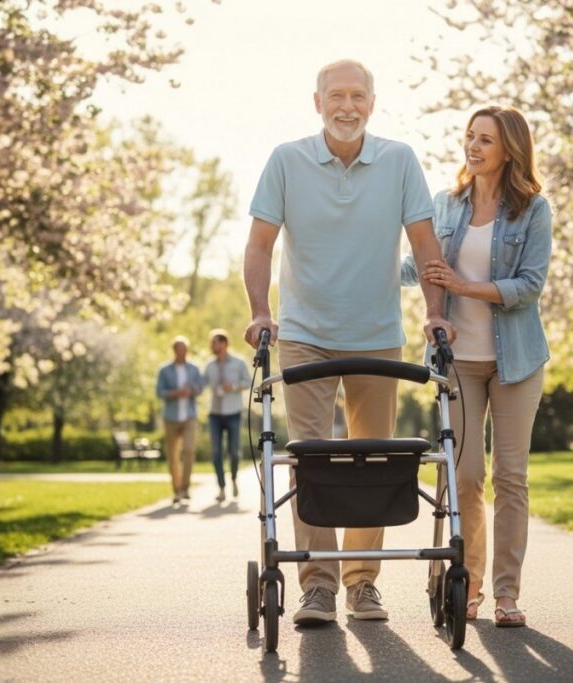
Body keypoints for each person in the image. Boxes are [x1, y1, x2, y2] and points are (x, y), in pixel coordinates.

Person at [243, 59, 454, 626]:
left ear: (372, 103)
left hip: (377, 337)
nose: (347, 106)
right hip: (305, 337)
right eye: (336, 95)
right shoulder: (287, 160)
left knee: (373, 458)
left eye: (358, 96)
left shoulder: (399, 160)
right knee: (309, 459)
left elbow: (426, 245)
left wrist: (435, 314)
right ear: (317, 103)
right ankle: (318, 585)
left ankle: (363, 583)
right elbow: (260, 244)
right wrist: (261, 311)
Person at [403, 106, 551, 627]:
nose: (474, 146)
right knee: (464, 477)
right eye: (470, 136)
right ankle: (468, 584)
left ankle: (508, 594)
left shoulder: (533, 210)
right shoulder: (446, 205)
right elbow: (420, 264)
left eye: (485, 139)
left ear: (509, 149)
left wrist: (465, 287)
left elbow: (530, 285)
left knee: (510, 477)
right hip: (457, 363)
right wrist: (360, 261)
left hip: (517, 363)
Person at [203, 328, 251, 502]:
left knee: (234, 452)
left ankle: (234, 479)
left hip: (233, 413)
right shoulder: (209, 365)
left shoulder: (238, 363)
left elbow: (248, 382)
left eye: (215, 342)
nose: (212, 346)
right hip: (214, 414)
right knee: (216, 452)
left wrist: (234, 386)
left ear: (224, 343)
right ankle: (222, 488)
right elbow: (202, 384)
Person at [156, 336, 203, 505]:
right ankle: (176, 490)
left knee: (189, 450)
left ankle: (185, 488)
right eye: (179, 349)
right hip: (171, 417)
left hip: (189, 416)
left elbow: (200, 388)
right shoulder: (165, 370)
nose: (182, 353)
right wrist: (176, 393)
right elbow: (160, 392)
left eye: (185, 350)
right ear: (174, 350)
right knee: (172, 455)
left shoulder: (194, 369)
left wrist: (191, 391)